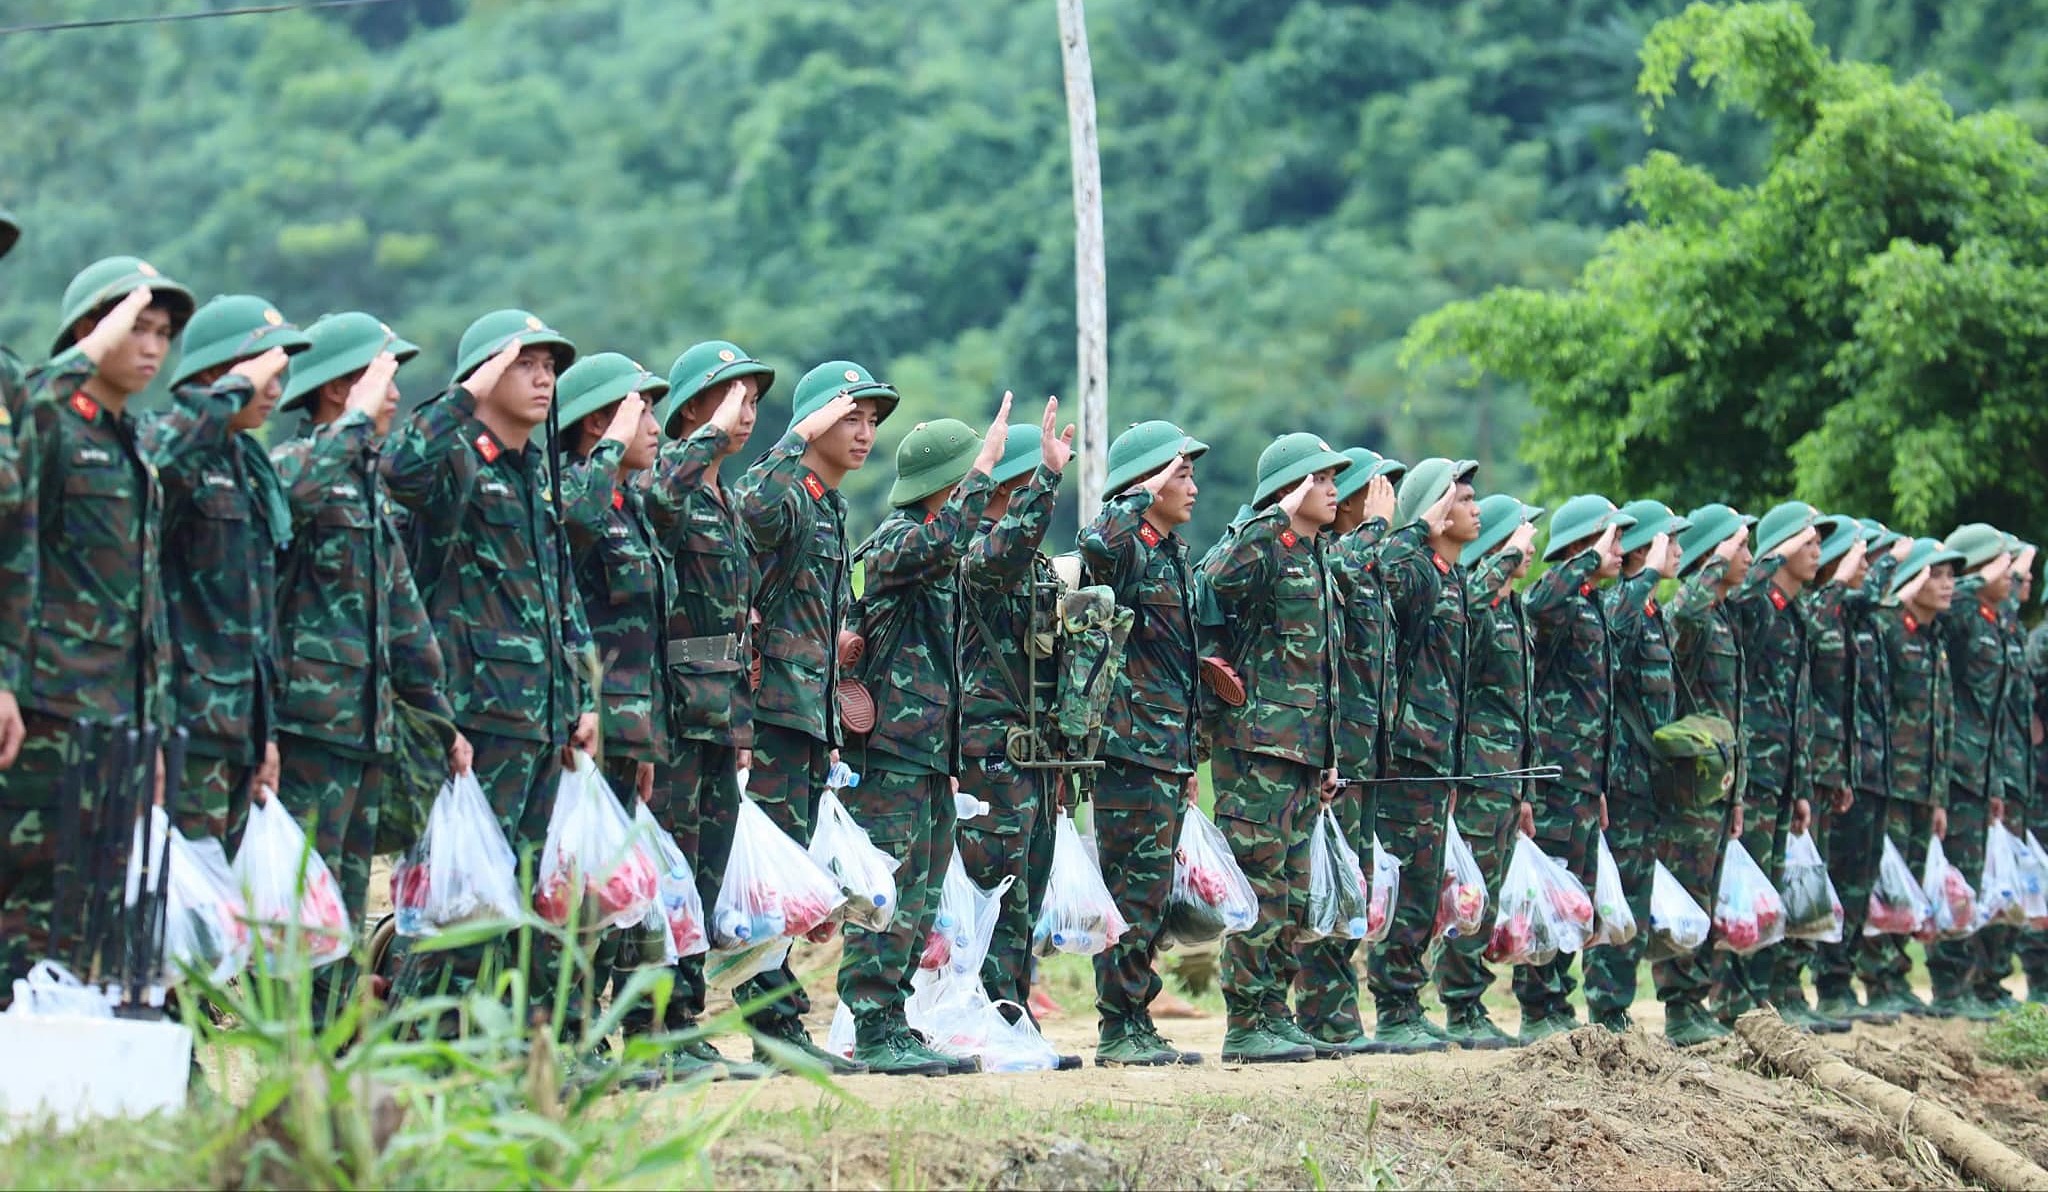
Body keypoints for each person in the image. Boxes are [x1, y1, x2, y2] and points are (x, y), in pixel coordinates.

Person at [0, 258, 240, 994]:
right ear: (90, 331)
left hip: (118, 722)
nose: (153, 348)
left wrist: (154, 729)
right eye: (138, 328)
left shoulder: (130, 443)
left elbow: (141, 607)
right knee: (25, 909)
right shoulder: (48, 422)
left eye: (164, 334)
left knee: (95, 913)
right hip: (49, 710)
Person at [382, 310, 599, 1021]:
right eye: (523, 364)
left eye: (549, 367)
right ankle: (423, 1050)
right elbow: (398, 468)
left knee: (524, 898)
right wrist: (464, 392)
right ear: (483, 376)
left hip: (538, 720)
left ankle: (498, 1048)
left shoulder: (537, 473)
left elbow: (556, 592)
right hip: (471, 715)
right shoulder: (454, 459)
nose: (542, 378)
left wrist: (579, 700)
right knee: (458, 897)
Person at [270, 311, 463, 1007]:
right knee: (304, 900)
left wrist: (441, 723)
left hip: (364, 728)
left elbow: (407, 624)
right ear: (340, 388)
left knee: (344, 900)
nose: (393, 397)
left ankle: (332, 1041)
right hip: (306, 726)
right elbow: (288, 498)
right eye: (383, 380)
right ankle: (300, 1045)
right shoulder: (300, 466)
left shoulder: (367, 488)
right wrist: (350, 424)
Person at [731, 359, 897, 1074]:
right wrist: (793, 439)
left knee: (791, 882)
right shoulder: (788, 492)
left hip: (805, 718)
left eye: (870, 422)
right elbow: (746, 508)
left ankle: (780, 1025)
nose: (863, 433)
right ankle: (770, 1026)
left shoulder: (827, 504)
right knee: (763, 883)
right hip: (766, 716)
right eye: (849, 417)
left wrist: (832, 730)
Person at [840, 399, 1010, 1075]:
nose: (983, 488)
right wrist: (987, 466)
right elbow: (938, 544)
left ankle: (893, 1019)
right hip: (891, 752)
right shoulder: (898, 543)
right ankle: (873, 1023)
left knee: (919, 892)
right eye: (969, 477)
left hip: (928, 751)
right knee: (892, 887)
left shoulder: (938, 554)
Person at [554, 352, 708, 1081]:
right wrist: (612, 446)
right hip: (582, 725)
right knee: (578, 890)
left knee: (617, 893)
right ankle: (571, 1038)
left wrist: (646, 736)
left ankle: (604, 1037)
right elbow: (572, 528)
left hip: (627, 725)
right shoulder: (575, 491)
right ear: (598, 420)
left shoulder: (626, 504)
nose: (654, 424)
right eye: (639, 410)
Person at [1198, 434, 1350, 1062]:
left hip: (1303, 750)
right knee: (1258, 885)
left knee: (1291, 887)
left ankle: (1274, 1010)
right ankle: (1245, 1020)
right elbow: (1210, 586)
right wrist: (1268, 516)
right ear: (1290, 488)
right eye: (1319, 477)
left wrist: (1329, 754)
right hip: (1257, 747)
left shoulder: (1316, 557)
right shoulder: (1264, 545)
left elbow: (1321, 669)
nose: (1333, 486)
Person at [643, 340, 771, 1076]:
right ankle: (654, 1029)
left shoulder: (726, 498)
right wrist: (706, 436)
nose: (744, 415)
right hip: (675, 715)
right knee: (670, 871)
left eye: (753, 401)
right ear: (691, 408)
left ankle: (685, 1023)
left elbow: (736, 620)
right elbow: (660, 493)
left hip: (719, 715)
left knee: (705, 877)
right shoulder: (677, 484)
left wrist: (744, 723)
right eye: (730, 399)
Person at [158, 295, 313, 844]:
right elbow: (159, 470)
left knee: (227, 911)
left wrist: (264, 735)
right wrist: (230, 393)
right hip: (183, 724)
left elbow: (258, 619)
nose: (275, 388)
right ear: (214, 374)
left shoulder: (250, 467)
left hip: (240, 729)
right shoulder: (174, 449)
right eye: (263, 371)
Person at [1079, 420, 1208, 1067]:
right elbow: (1095, 538)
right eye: (1181, 474)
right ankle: (1120, 1024)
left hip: (1164, 751)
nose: (1192, 486)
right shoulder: (1126, 549)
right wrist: (1139, 488)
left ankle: (1133, 1017)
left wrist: (1189, 757)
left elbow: (1179, 668)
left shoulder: (1172, 556)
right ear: (1148, 481)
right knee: (1130, 891)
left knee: (1151, 894)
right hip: (1128, 750)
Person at [956, 399, 1075, 1015]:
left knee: (1026, 887)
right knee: (993, 888)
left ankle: (1010, 1012)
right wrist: (1049, 479)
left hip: (1037, 756)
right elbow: (998, 557)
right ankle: (985, 1012)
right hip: (990, 755)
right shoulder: (977, 553)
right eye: (1036, 480)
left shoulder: (1038, 567)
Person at [1370, 457, 1480, 1052]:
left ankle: (1407, 1001)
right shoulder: (1412, 568)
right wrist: (1412, 527)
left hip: (1439, 755)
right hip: (1407, 753)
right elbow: (1384, 574)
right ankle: (1393, 1008)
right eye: (1460, 498)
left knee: (1423, 885)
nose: (1474, 507)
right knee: (1406, 881)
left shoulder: (1452, 578)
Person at [1296, 448, 1400, 1052]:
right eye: (1375, 489)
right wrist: (1376, 530)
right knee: (1326, 882)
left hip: (1361, 747)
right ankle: (1323, 1012)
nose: (1382, 499)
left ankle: (1337, 1012)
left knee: (1349, 883)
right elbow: (1342, 575)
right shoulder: (1335, 557)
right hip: (1334, 745)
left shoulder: (1365, 560)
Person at [1520, 494, 1634, 1039]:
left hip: (1585, 779)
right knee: (1554, 888)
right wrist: (1588, 556)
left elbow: (1597, 705)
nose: (1621, 550)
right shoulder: (1562, 600)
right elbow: (1539, 602)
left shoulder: (1592, 606)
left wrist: (1602, 783)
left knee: (1576, 894)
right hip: (1555, 775)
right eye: (1613, 538)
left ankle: (1560, 1004)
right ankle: (1540, 1007)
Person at [1433, 492, 1540, 1049]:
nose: (1532, 544)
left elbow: (1521, 705)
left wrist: (1524, 787)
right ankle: (1459, 1003)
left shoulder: (1514, 608)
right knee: (1466, 894)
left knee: (1487, 894)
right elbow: (1468, 607)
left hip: (1504, 773)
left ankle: (1471, 1001)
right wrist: (1502, 555)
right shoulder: (1476, 601)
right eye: (1522, 534)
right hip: (1473, 769)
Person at [1584, 500, 1688, 1033]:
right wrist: (1644, 574)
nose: (1681, 551)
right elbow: (1613, 637)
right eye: (1672, 540)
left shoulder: (1651, 613)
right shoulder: (1618, 604)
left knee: (1637, 896)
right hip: (1620, 781)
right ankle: (1605, 1008)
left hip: (1647, 782)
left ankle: (1617, 1006)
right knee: (1617, 894)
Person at [1717, 502, 1821, 1028]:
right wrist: (1769, 551)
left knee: (1769, 889)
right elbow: (1742, 593)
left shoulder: (1796, 613)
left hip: (1781, 777)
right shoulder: (1758, 604)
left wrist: (1800, 784)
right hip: (1752, 773)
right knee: (1744, 886)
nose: (1819, 552)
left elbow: (1796, 708)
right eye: (1809, 542)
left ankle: (1759, 995)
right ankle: (1732, 999)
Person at [1654, 503, 1753, 1046]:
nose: (1750, 558)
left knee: (1709, 893)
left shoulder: (1727, 617)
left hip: (1720, 779)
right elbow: (1684, 611)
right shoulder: (1692, 614)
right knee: (1689, 890)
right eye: (1741, 547)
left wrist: (1738, 789)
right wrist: (1715, 558)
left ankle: (1701, 999)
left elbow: (1732, 712)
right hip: (1690, 781)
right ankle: (1679, 1005)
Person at [1866, 537, 1962, 1016]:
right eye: (1936, 573)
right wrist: (1897, 570)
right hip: (1891, 781)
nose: (1946, 584)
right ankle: (1879, 978)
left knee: (1910, 885)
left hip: (1925, 785)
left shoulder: (1935, 639)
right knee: (1886, 882)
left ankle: (1897, 976)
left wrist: (1940, 796)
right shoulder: (1889, 628)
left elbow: (1940, 724)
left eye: (1950, 575)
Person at [1809, 518, 1898, 1025]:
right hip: (1827, 771)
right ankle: (1831, 981)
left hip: (1863, 767)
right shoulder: (1821, 613)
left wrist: (1879, 560)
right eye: (1861, 556)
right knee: (1833, 877)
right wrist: (1841, 575)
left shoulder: (1860, 618)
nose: (1870, 566)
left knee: (1857, 882)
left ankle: (1840, 979)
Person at [1931, 523, 2018, 1019]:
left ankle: (1967, 983)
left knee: (1973, 882)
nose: (2011, 573)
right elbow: (1954, 594)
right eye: (2000, 562)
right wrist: (1970, 571)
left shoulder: (1991, 621)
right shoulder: (1963, 615)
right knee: (1958, 878)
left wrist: (1997, 784)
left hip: (1982, 771)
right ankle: (1949, 986)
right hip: (1956, 770)